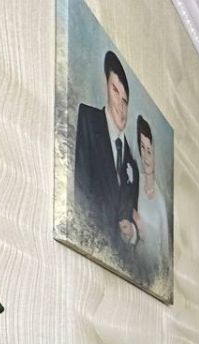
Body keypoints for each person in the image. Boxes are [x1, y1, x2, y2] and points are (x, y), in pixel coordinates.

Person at [74, 51, 139, 250]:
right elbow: (81, 191)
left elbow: (131, 214)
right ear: (106, 86)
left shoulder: (132, 164)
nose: (120, 105)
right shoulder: (88, 120)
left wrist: (132, 233)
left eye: (125, 100)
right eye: (115, 90)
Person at [132, 115, 170, 278]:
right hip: (134, 267)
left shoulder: (160, 201)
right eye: (142, 148)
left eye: (149, 150)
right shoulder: (134, 181)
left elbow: (165, 252)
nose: (146, 156)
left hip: (153, 275)